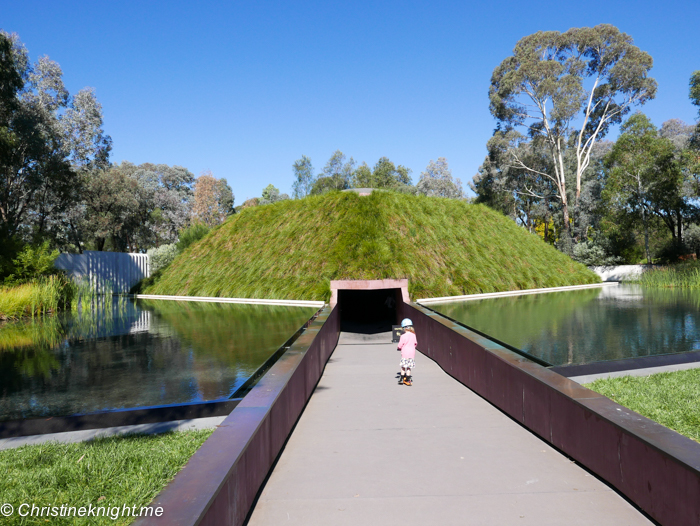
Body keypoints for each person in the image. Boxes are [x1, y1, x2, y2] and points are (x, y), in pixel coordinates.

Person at [397, 318, 417, 386]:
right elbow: (415, 343)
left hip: (405, 353)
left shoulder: (402, 336)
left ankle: (401, 378)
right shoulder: (413, 335)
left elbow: (400, 345)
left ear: (404, 328)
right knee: (409, 367)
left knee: (403, 366)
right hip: (411, 353)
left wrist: (399, 348)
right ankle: (408, 378)